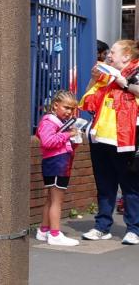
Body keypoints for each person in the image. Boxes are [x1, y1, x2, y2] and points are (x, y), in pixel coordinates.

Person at [80, 38, 139, 244]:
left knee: (130, 186)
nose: (109, 55)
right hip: (101, 138)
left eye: (113, 52)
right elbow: (87, 102)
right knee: (105, 186)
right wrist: (93, 79)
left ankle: (134, 229)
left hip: (124, 140)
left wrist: (125, 83)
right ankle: (101, 226)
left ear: (127, 56)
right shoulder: (105, 74)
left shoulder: (135, 73)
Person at [36, 90, 82, 247]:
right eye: (66, 107)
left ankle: (43, 230)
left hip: (57, 161)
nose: (69, 112)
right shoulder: (49, 121)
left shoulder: (54, 122)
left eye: (72, 109)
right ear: (56, 105)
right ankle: (55, 234)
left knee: (51, 198)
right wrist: (68, 135)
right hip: (57, 162)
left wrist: (72, 139)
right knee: (57, 200)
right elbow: (47, 142)